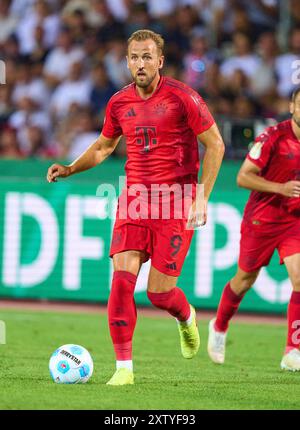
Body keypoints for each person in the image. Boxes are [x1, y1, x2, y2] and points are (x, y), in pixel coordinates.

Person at [47, 29, 225, 385]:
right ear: (126, 60)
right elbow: (102, 147)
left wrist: (202, 197)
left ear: (160, 61)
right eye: (134, 57)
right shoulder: (118, 102)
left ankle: (186, 316)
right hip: (135, 201)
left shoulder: (182, 97)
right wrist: (69, 168)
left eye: (146, 57)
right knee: (121, 283)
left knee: (159, 293)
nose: (140, 64)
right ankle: (124, 369)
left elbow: (216, 145)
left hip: (175, 202)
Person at [207, 88, 300, 372]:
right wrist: (280, 188)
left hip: (294, 220)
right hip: (262, 219)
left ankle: (292, 350)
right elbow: (242, 177)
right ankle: (220, 324)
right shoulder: (273, 136)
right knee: (245, 279)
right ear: (292, 106)